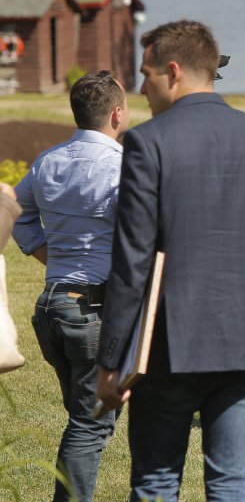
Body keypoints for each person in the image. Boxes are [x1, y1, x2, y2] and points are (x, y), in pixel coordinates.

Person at [94, 20, 245, 502]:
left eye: (145, 73)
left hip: (169, 345)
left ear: (172, 72)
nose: (140, 86)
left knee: (157, 481)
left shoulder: (146, 141)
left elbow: (132, 259)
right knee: (231, 483)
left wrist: (112, 358)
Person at [12, 71, 129, 502]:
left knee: (82, 419)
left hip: (52, 308)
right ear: (117, 113)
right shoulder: (122, 167)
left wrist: (47, 255)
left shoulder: (48, 160)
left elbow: (18, 210)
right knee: (89, 426)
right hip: (93, 314)